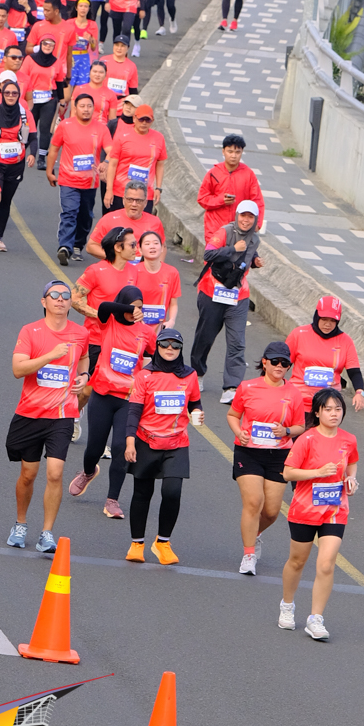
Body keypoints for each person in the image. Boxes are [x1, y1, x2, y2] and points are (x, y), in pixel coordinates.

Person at [6, 281, 90, 553]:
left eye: (65, 296)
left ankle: (47, 533)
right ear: (44, 302)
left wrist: (83, 376)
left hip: (62, 414)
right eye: (54, 295)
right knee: (28, 474)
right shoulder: (30, 332)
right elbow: (18, 369)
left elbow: (84, 358)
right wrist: (51, 355)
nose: (60, 299)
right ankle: (20, 524)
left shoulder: (80, 333)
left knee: (55, 473)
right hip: (31, 413)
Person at [279, 388, 360, 639]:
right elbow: (288, 473)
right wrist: (317, 473)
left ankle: (316, 618)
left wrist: (351, 480)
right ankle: (287, 605)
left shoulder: (349, 440)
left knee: (326, 564)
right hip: (305, 509)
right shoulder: (307, 439)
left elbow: (352, 463)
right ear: (317, 412)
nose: (334, 414)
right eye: (328, 409)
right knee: (297, 561)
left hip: (335, 510)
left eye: (338, 409)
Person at [68, 284, 153, 521]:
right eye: (131, 307)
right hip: (102, 396)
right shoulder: (109, 322)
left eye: (140, 307)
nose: (135, 312)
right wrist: (128, 309)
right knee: (94, 448)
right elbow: (105, 306)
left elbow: (155, 357)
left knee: (119, 448)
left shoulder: (146, 332)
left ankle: (112, 500)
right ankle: (88, 471)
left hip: (128, 400)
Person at [123, 324, 203, 564]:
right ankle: (137, 544)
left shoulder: (189, 375)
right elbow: (134, 411)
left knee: (172, 492)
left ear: (181, 349)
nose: (170, 348)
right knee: (142, 493)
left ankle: (163, 542)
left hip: (177, 443)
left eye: (176, 345)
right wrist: (130, 442)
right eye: (165, 344)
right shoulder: (144, 376)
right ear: (157, 346)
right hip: (145, 441)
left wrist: (197, 412)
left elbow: (195, 403)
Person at [227, 339, 304, 576]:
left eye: (285, 363)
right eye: (275, 361)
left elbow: (300, 426)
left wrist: (287, 431)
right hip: (249, 452)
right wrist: (239, 432)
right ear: (264, 362)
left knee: (271, 512)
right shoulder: (247, 387)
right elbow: (233, 415)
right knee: (253, 502)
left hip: (278, 455)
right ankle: (249, 554)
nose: (279, 366)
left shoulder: (293, 393)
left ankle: (255, 533)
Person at [190, 200, 264, 404]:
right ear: (237, 215)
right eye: (243, 215)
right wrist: (232, 249)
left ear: (255, 220)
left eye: (250, 217)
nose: (246, 220)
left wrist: (255, 262)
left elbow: (246, 257)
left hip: (238, 296)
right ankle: (197, 373)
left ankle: (231, 387)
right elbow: (208, 254)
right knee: (205, 337)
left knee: (237, 342)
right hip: (212, 291)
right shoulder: (224, 232)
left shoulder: (254, 239)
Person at [48, 89, 112, 265]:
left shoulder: (101, 129)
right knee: (69, 213)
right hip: (68, 180)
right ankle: (65, 247)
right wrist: (49, 171)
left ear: (94, 109)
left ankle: (78, 245)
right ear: (75, 108)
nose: (86, 109)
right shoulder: (65, 126)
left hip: (90, 183)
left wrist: (106, 162)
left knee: (85, 216)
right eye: (82, 106)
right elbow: (54, 149)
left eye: (89, 106)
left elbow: (111, 150)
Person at [0, 75, 34, 252]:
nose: (11, 96)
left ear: (19, 95)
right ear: (2, 94)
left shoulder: (25, 114)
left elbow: (33, 137)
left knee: (5, 200)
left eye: (14, 93)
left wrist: (32, 154)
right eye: (7, 93)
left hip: (16, 163)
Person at [285, 297, 364, 412]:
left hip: (329, 405)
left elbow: (354, 372)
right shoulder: (299, 334)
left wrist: (359, 392)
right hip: (298, 400)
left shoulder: (345, 341)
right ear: (317, 316)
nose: (328, 324)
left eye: (332, 320)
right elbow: (282, 364)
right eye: (324, 319)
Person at [197, 134, 265, 244]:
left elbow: (257, 201)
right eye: (230, 151)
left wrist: (257, 223)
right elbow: (202, 198)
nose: (234, 156)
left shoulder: (248, 174)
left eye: (237, 152)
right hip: (215, 228)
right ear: (223, 151)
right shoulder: (213, 173)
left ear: (242, 152)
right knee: (214, 254)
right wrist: (220, 200)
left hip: (239, 229)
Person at [103, 101, 167, 212]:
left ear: (152, 121)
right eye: (141, 119)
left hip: (144, 194)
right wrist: (109, 190)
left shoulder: (159, 138)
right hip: (121, 192)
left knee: (142, 222)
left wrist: (158, 188)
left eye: (148, 120)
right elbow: (112, 165)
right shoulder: (122, 137)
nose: (144, 123)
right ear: (134, 119)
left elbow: (160, 165)